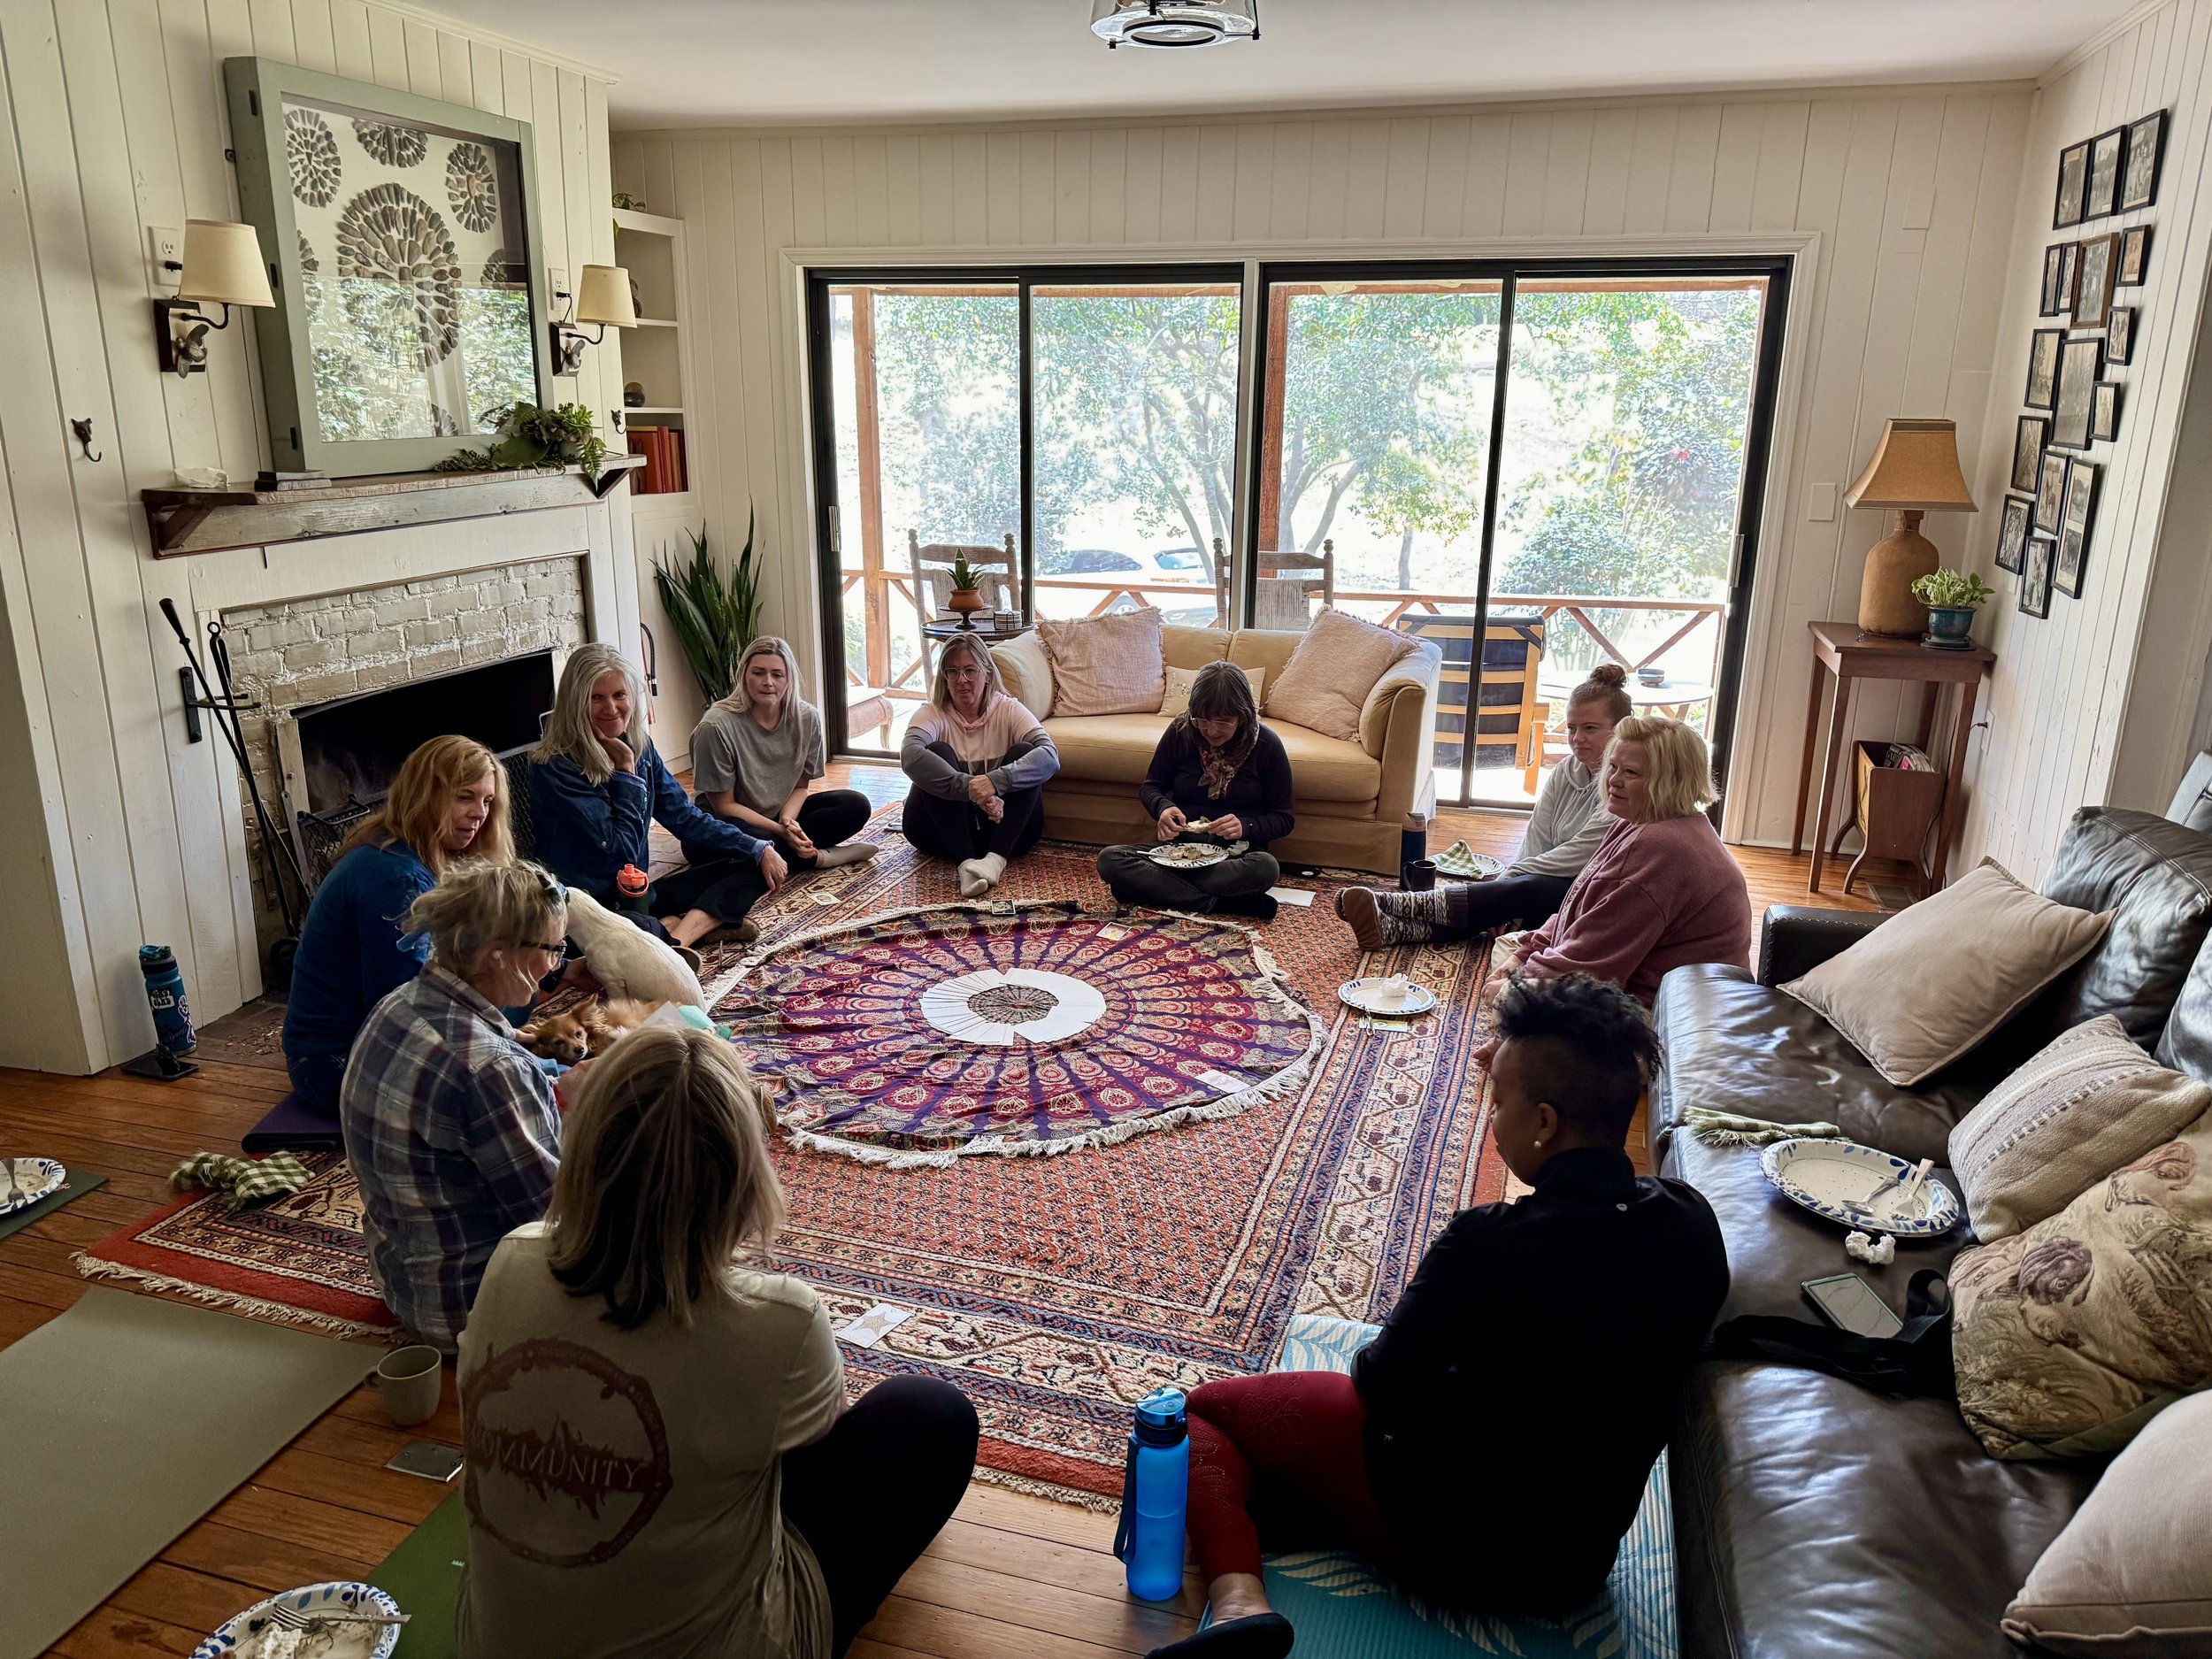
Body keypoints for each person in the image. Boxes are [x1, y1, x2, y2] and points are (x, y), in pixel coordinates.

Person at [1146, 974, 1729, 1659]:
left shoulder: (1487, 1241)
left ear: (1544, 1123)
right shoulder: (1692, 1221)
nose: (1492, 1117)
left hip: (1446, 1545)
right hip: (1574, 1564)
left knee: (1195, 1416)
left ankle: (1240, 1605)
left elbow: (1380, 1382)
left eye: (1500, 1101)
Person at [457, 1025, 979, 1659]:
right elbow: (811, 1454)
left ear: (585, 1149)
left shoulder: (512, 1259)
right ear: (742, 1175)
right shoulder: (781, 1321)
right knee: (931, 1413)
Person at [342, 862, 566, 1352]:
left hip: (402, 1278)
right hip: (470, 1313)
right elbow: (561, 1225)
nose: (555, 967)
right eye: (551, 949)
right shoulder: (490, 1069)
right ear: (496, 955)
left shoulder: (398, 1004)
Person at [283, 735, 514, 1118]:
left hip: (359, 1045)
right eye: (464, 797)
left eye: (487, 801)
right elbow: (403, 1012)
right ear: (426, 795)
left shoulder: (405, 853)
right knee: (492, 1097)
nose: (480, 814)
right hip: (332, 1063)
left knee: (514, 1010)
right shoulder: (396, 879)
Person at [1336, 663, 1632, 949]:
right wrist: (1510, 886)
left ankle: (1397, 904)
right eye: (1571, 728)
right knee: (1504, 903)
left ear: (1621, 728)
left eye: (1590, 728)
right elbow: (1537, 837)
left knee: (1523, 893)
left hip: (1591, 890)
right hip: (1541, 881)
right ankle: (1392, 931)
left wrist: (1512, 878)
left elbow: (1580, 857)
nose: (1577, 739)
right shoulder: (1565, 770)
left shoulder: (1622, 787)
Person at [531, 642, 785, 950]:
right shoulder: (554, 766)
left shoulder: (641, 748)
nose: (611, 708)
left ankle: (677, 938)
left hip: (639, 896)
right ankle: (681, 931)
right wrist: (626, 773)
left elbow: (685, 818)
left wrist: (756, 847)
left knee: (753, 863)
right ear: (574, 703)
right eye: (596, 698)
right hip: (590, 910)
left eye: (619, 695)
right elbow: (620, 851)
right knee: (629, 935)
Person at [1494, 713, 1751, 1006]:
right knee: (1510, 950)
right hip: (1640, 978)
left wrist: (1520, 985)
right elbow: (1579, 910)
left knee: (1509, 997)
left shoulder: (1660, 848)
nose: (1613, 780)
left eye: (1631, 773)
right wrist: (1524, 953)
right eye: (1613, 767)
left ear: (1671, 782)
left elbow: (1593, 965)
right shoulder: (1646, 821)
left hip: (1663, 1012)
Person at [1097, 661, 1290, 922]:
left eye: (1223, 722)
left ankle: (1156, 889)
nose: (1211, 731)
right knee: (1110, 860)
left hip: (1235, 856)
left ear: (1242, 716)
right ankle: (1222, 903)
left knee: (1266, 868)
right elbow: (1151, 787)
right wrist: (1163, 808)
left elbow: (1284, 818)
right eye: (1203, 720)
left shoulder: (1267, 745)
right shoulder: (1182, 731)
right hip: (1180, 853)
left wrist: (1247, 826)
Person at [691, 636, 878, 872]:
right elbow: (725, 806)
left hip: (777, 813)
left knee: (855, 805)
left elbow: (800, 787)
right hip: (725, 820)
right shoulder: (716, 726)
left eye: (777, 675)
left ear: (788, 679)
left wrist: (788, 822)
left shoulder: (807, 718)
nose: (768, 682)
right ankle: (820, 858)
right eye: (758, 673)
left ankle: (770, 857)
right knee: (723, 847)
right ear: (744, 676)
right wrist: (780, 831)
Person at [900, 633, 1059, 898]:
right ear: (945, 678)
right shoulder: (932, 712)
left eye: (970, 670)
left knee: (1026, 752)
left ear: (987, 673)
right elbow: (910, 755)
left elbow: (1050, 756)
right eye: (953, 671)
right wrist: (972, 789)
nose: (962, 680)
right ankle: (965, 865)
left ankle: (994, 861)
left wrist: (996, 782)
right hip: (938, 834)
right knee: (935, 752)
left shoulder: (1008, 709)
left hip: (1004, 831)